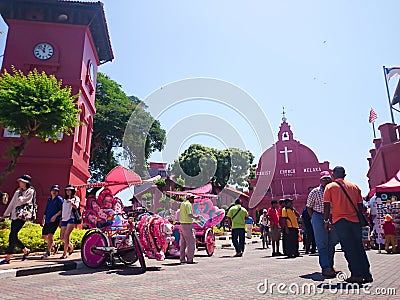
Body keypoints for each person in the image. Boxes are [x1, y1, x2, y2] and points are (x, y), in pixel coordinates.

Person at [324, 166, 373, 284]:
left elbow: (326, 205)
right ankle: (367, 274)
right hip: (355, 221)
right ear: (344, 175)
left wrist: (326, 221)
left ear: (333, 175)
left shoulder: (330, 187)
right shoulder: (354, 187)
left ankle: (356, 275)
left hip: (340, 221)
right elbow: (360, 206)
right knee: (359, 247)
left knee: (349, 248)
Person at [307, 171, 339, 277]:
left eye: (328, 179)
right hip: (319, 216)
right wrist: (314, 218)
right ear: (320, 180)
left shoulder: (335, 190)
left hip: (333, 216)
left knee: (332, 242)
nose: (326, 181)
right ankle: (325, 267)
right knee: (322, 243)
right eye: (324, 179)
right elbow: (309, 206)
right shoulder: (315, 192)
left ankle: (331, 265)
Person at [0, 175, 35, 265]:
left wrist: (20, 197)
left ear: (26, 183)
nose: (19, 183)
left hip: (22, 216)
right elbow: (12, 204)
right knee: (13, 235)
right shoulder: (17, 192)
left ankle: (8, 257)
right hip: (15, 216)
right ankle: (25, 250)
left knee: (12, 235)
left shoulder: (30, 191)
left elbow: (23, 201)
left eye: (21, 181)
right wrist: (5, 214)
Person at [41, 185, 63, 259]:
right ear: (50, 191)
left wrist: (55, 216)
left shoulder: (59, 199)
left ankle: (48, 252)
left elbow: (61, 210)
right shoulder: (49, 199)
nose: (54, 192)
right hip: (47, 219)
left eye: (56, 191)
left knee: (50, 235)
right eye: (53, 190)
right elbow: (46, 210)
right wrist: (43, 218)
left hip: (54, 220)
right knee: (44, 236)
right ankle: (54, 245)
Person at [60, 184, 80, 259]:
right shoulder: (64, 200)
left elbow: (76, 206)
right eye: (67, 190)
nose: (68, 192)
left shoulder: (76, 198)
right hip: (64, 218)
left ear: (72, 191)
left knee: (66, 235)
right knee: (62, 237)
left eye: (70, 190)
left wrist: (71, 203)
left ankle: (64, 253)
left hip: (71, 218)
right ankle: (71, 246)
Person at [179, 193, 200, 264]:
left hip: (182, 224)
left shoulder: (182, 203)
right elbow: (189, 214)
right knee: (191, 242)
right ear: (190, 198)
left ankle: (182, 258)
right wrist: (196, 217)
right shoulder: (188, 204)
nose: (194, 200)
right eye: (193, 198)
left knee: (183, 243)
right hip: (187, 224)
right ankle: (190, 259)